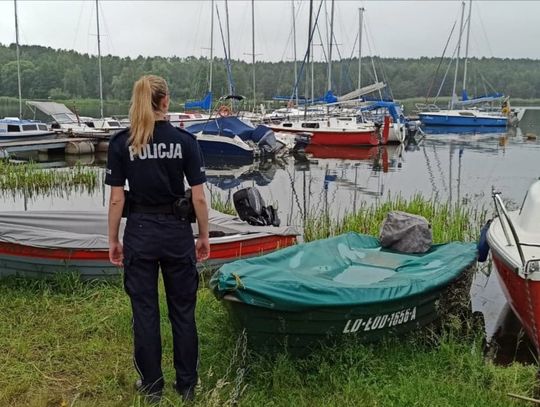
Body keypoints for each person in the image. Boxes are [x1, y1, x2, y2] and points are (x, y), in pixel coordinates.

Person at [105, 74, 210, 403]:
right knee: (183, 310)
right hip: (177, 233)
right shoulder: (185, 141)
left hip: (139, 232)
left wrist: (113, 239)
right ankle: (187, 385)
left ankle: (151, 387)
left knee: (145, 311)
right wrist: (203, 235)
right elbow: (200, 198)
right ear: (165, 101)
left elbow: (117, 199)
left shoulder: (123, 142)